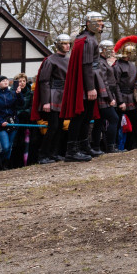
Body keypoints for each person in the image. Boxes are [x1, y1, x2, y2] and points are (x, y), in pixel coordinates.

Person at [60, 12, 105, 162]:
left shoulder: (89, 39)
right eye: (98, 22)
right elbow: (86, 66)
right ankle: (72, 150)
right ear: (89, 23)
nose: (101, 24)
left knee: (86, 117)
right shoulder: (86, 40)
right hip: (86, 84)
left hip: (88, 82)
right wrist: (91, 87)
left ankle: (84, 146)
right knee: (79, 117)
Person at [31, 34, 72, 164]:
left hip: (64, 95)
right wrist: (46, 101)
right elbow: (44, 82)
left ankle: (54, 153)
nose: (68, 45)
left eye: (68, 43)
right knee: (53, 126)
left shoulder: (69, 59)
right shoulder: (50, 60)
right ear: (59, 44)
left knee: (60, 126)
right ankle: (43, 154)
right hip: (53, 94)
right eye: (65, 43)